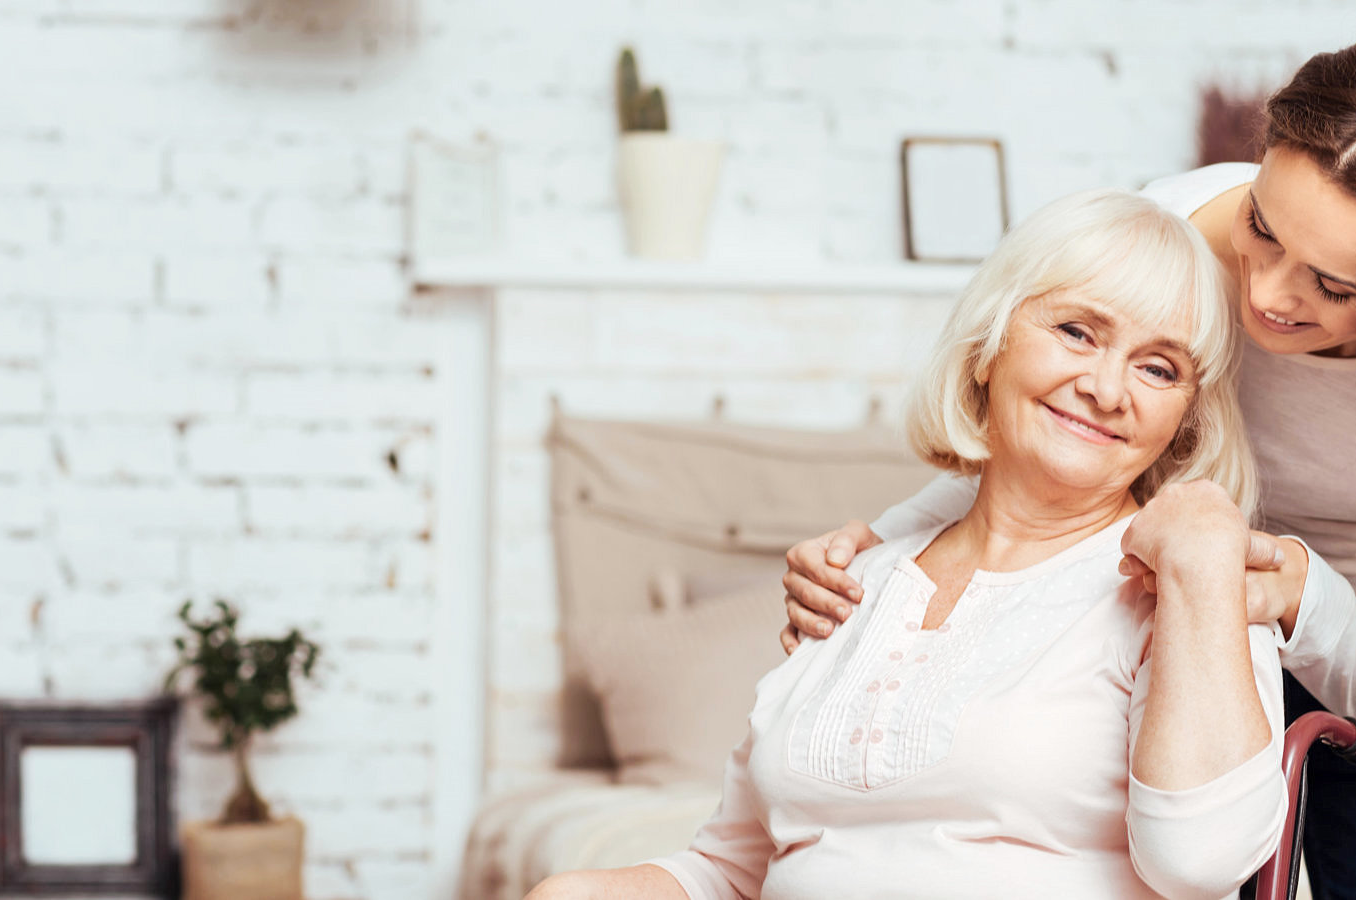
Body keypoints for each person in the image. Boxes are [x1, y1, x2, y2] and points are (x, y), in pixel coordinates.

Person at [776, 32, 1356, 900]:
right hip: (1165, 625)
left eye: (1332, 287)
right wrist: (878, 552)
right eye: (1262, 226)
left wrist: (1300, 595)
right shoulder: (1166, 241)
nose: (1267, 295)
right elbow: (1062, 435)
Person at [529, 189, 1287, 900]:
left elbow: (1203, 861)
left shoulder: (1192, 587)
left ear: (1185, 420)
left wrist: (1199, 564)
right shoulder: (857, 584)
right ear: (988, 345)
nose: (1107, 387)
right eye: (1075, 332)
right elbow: (733, 869)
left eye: (1159, 368)